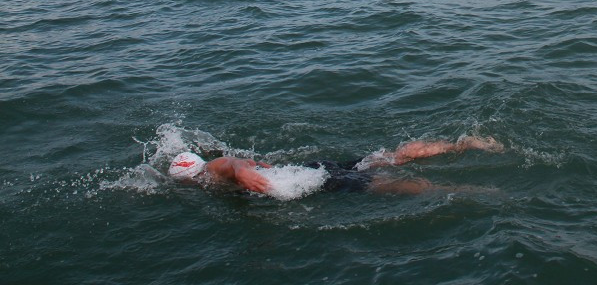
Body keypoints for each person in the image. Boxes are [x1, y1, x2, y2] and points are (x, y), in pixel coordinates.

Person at [168, 135, 503, 195]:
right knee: (385, 158)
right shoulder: (203, 171)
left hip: (316, 181)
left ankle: (458, 191)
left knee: (384, 186)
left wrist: (241, 172)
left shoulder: (206, 175)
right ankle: (461, 144)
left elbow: (230, 163)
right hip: (312, 166)